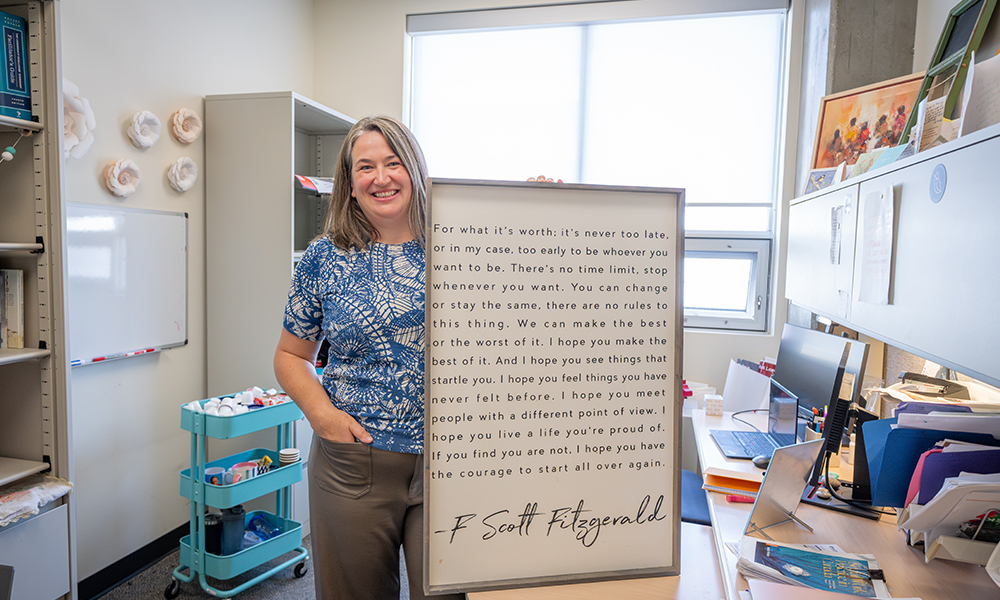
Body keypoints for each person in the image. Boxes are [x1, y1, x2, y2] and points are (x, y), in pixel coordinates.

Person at [274, 115, 464, 600]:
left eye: (393, 163)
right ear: (350, 184)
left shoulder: (462, 246)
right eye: (366, 167)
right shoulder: (324, 257)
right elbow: (291, 355)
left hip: (454, 462)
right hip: (356, 459)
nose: (381, 177)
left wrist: (546, 204)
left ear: (416, 170)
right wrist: (324, 418)